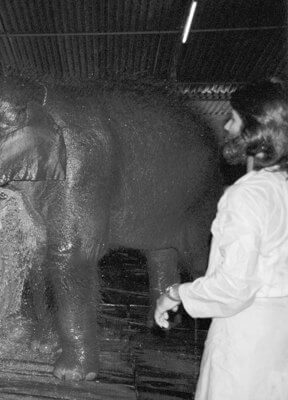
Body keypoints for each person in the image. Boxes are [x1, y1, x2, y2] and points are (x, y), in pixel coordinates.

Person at [154, 78, 288, 399]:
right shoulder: (281, 186)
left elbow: (233, 288)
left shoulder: (247, 196)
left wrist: (175, 294)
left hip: (245, 336)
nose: (227, 126)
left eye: (234, 117)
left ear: (255, 130)